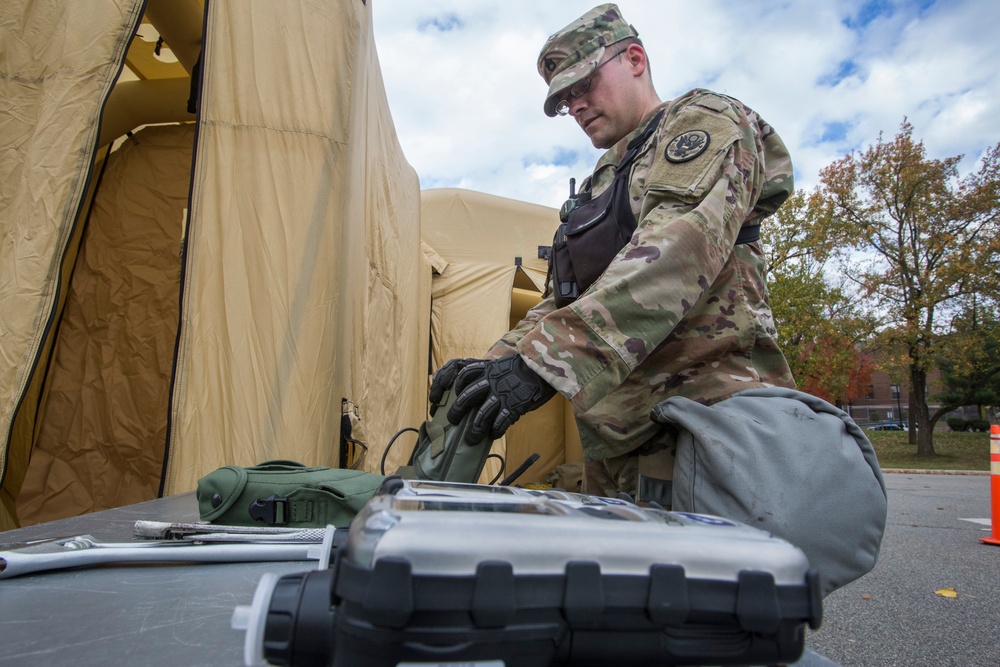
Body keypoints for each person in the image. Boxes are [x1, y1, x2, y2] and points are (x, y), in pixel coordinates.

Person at [431, 3, 798, 504]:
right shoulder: (600, 183)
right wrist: (494, 365)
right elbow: (562, 299)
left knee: (708, 582)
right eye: (564, 100)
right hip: (617, 442)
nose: (575, 106)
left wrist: (542, 363)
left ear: (635, 59)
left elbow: (676, 250)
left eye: (583, 85)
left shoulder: (704, 122)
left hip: (706, 428)